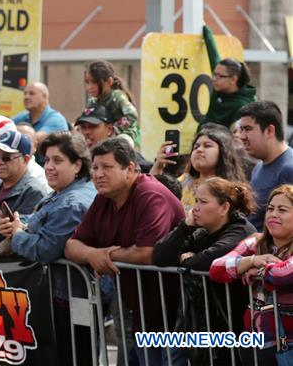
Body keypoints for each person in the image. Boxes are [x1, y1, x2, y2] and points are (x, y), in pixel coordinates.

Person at [64, 137, 185, 365]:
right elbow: (72, 245)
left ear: (130, 169)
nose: (98, 174)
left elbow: (148, 253)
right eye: (95, 168)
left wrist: (107, 255)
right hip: (141, 313)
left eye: (107, 167)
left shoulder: (150, 194)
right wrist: (93, 255)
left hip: (176, 318)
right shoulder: (104, 198)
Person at [0, 132, 96, 365]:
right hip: (62, 297)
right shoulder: (62, 194)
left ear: (78, 164)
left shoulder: (74, 202)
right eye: (47, 160)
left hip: (71, 300)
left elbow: (45, 249)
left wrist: (18, 234)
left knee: (73, 357)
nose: (49, 167)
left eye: (57, 161)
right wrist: (16, 223)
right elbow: (40, 219)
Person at [153, 178, 256, 366]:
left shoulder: (240, 230)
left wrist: (187, 259)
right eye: (196, 200)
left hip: (235, 330)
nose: (195, 208)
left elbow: (205, 262)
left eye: (203, 202)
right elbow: (160, 257)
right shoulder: (201, 232)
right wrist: (185, 227)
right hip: (204, 328)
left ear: (224, 208)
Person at [210, 185, 293, 364]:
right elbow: (216, 268)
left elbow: (282, 274)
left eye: (282, 210)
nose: (273, 214)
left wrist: (258, 271)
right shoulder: (256, 241)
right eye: (270, 209)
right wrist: (252, 260)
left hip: (289, 344)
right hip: (254, 341)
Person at [153, 125, 246, 209]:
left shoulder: (231, 190)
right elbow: (152, 197)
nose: (199, 150)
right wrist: (158, 166)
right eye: (196, 147)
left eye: (207, 146)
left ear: (223, 153)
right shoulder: (184, 181)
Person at [239, 101, 293, 230]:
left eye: (247, 129)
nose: (242, 136)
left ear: (269, 130)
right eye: (241, 129)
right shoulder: (258, 166)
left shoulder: (289, 168)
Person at [201, 26, 257, 129]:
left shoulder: (243, 106)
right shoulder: (221, 84)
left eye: (219, 76)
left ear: (233, 79)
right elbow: (214, 57)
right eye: (214, 74)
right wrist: (206, 32)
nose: (214, 79)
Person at [74, 104, 151, 172]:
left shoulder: (123, 155)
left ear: (109, 130)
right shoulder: (74, 158)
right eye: (83, 127)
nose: (87, 132)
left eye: (93, 126)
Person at [84, 60, 140, 148]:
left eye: (94, 82)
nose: (89, 87)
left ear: (109, 82)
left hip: (125, 134)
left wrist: (115, 129)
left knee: (121, 143)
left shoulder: (117, 97)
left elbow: (132, 114)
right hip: (103, 136)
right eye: (87, 82)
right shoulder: (92, 102)